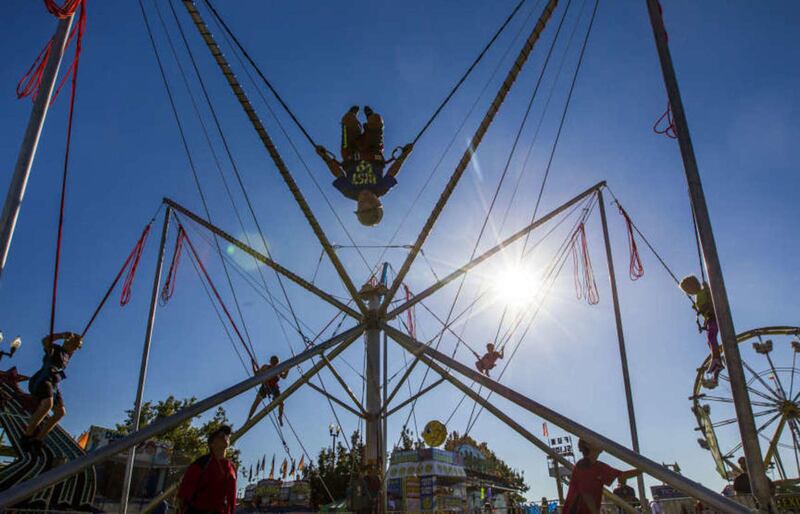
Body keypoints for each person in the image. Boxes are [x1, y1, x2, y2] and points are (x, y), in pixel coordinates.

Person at [317, 106, 413, 227]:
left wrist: (325, 157)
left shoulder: (349, 191)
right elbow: (392, 172)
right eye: (370, 200)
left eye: (361, 202)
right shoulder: (381, 189)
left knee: (348, 119)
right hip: (372, 150)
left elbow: (338, 173)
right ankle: (369, 116)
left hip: (350, 151)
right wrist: (405, 154)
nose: (364, 196)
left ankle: (353, 120)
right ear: (377, 201)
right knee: (376, 120)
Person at [21, 331, 83, 450]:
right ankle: (26, 435)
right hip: (43, 379)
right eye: (74, 345)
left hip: (54, 383)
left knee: (60, 412)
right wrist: (62, 335)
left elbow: (73, 347)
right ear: (67, 342)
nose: (75, 349)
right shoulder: (55, 349)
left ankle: (38, 439)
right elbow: (45, 341)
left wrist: (78, 340)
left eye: (77, 347)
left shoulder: (67, 355)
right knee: (47, 405)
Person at [563, 439, 640, 514]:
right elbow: (587, 494)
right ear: (588, 445)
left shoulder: (599, 466)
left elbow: (622, 475)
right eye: (595, 440)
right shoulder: (583, 465)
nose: (600, 442)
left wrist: (643, 468)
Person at [177, 425, 237, 514]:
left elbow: (231, 496)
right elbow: (184, 492)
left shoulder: (231, 467)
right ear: (212, 444)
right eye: (220, 436)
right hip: (197, 510)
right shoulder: (202, 463)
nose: (225, 437)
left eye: (226, 435)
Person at [680, 275, 724, 388]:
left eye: (687, 290)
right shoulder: (700, 295)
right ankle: (716, 361)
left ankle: (717, 359)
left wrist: (699, 309)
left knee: (711, 338)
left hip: (713, 317)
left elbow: (706, 304)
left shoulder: (703, 292)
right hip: (710, 319)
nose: (688, 292)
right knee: (710, 340)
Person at [247, 356, 289, 425]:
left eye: (275, 363)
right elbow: (256, 374)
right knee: (257, 402)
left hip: (274, 387)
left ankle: (280, 417)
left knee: (281, 403)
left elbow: (284, 377)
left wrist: (287, 369)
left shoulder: (279, 369)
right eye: (273, 363)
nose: (274, 365)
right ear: (270, 362)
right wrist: (253, 365)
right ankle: (249, 418)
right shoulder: (265, 367)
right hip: (265, 386)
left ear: (277, 363)